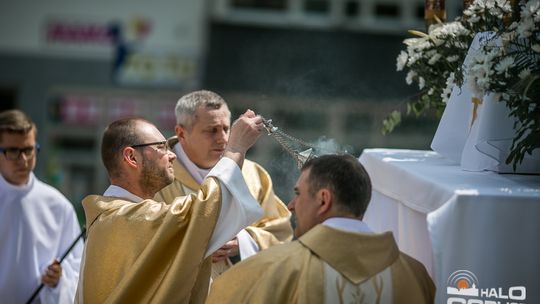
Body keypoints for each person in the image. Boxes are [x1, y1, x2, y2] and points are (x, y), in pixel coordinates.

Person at [75, 110, 265, 303]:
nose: (172, 155)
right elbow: (202, 212)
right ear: (132, 157)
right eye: (161, 147)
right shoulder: (125, 218)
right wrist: (235, 148)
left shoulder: (119, 215)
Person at [207, 154, 436, 304]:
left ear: (323, 200)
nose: (290, 206)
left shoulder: (267, 270)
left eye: (298, 194)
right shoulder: (415, 275)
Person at [155, 90, 292, 278]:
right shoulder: (156, 176)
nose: (223, 139)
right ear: (181, 133)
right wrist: (202, 245)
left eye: (226, 129)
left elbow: (280, 234)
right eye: (211, 130)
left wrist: (242, 242)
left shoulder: (253, 174)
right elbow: (144, 239)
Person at [0, 109, 83, 303]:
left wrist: (58, 279)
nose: (23, 160)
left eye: (28, 150)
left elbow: (78, 270)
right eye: (13, 151)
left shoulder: (58, 206)